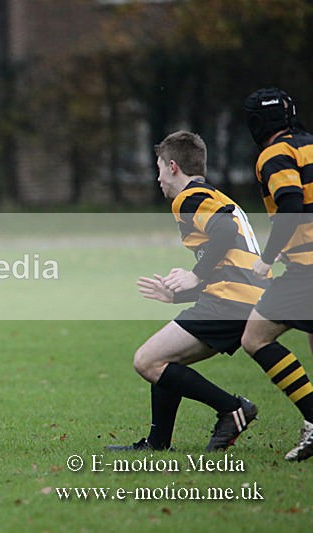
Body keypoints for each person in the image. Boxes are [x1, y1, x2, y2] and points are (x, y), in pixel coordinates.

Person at [108, 131, 267, 452]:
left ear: (173, 166)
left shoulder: (188, 199)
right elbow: (231, 258)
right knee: (164, 359)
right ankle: (157, 443)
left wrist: (196, 275)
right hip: (246, 298)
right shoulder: (214, 197)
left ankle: (233, 408)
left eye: (159, 169)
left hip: (231, 301)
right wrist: (179, 295)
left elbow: (225, 232)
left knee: (146, 361)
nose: (158, 179)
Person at [241, 87, 313, 461]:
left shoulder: (274, 154)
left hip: (308, 269)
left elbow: (290, 202)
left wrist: (267, 258)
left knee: (255, 337)